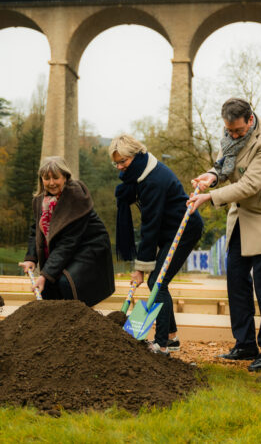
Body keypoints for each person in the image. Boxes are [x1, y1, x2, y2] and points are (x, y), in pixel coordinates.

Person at [188, 98, 261, 371]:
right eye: (229, 130)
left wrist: (210, 197)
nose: (233, 135)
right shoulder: (229, 137)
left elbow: (250, 184)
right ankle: (245, 344)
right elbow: (223, 164)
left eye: (238, 131)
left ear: (250, 119)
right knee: (236, 281)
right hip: (242, 218)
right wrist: (211, 176)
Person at [108, 135, 203, 355]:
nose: (120, 168)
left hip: (184, 228)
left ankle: (162, 344)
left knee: (157, 282)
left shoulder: (153, 180)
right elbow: (152, 224)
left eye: (124, 161)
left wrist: (141, 268)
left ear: (136, 155)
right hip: (167, 229)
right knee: (158, 281)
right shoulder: (139, 175)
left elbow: (149, 226)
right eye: (117, 163)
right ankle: (172, 338)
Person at [19, 156, 115, 307]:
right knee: (49, 287)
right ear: (41, 179)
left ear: (65, 177)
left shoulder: (76, 198)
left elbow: (68, 243)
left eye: (56, 177)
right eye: (46, 178)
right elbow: (36, 230)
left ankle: (79, 320)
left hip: (90, 247)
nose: (51, 183)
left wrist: (44, 275)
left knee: (67, 283)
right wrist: (31, 258)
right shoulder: (39, 200)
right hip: (68, 247)